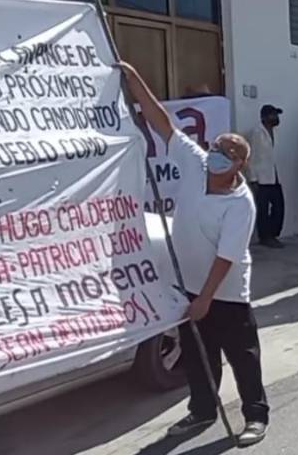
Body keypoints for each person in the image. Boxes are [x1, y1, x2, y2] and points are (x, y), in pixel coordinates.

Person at [118, 63, 269, 446]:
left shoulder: (240, 203)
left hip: (226, 292)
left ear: (239, 165)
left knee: (243, 357)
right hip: (187, 285)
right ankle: (202, 410)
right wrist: (134, 79)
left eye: (228, 152)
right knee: (199, 357)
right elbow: (162, 122)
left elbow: (226, 257)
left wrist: (205, 299)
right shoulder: (196, 161)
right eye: (217, 146)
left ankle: (255, 416)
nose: (218, 153)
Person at [245, 104, 284, 249]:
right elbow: (252, 156)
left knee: (279, 206)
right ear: (264, 117)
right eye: (273, 115)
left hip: (273, 175)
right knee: (263, 209)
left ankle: (273, 234)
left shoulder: (274, 132)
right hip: (261, 177)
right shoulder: (257, 132)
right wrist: (253, 179)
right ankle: (265, 237)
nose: (276, 118)